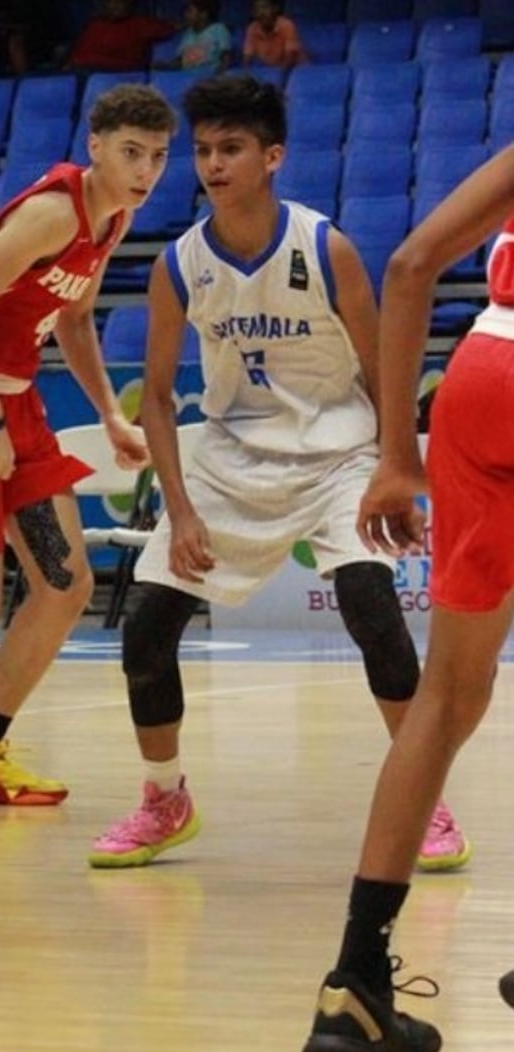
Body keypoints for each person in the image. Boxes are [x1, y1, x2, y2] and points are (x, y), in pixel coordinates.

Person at [89, 75, 468, 871]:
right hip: (231, 457)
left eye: (231, 149)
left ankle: (424, 801)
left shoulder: (325, 248)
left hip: (339, 452)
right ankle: (165, 799)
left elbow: (383, 368)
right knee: (148, 629)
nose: (213, 165)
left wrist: (395, 468)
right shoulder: (179, 264)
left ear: (273, 157)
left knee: (372, 608)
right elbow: (154, 398)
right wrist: (180, 511)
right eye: (203, 150)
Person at [301, 145, 514, 1052]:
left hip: (483, 375)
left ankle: (355, 985)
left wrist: (395, 453)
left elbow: (410, 264)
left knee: (448, 694)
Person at [0, 84, 170, 805]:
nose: (145, 170)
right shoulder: (53, 213)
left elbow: (75, 319)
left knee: (66, 586)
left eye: (157, 156)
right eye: (131, 152)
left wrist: (110, 415)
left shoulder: (114, 217)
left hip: (18, 404)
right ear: (95, 147)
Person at [61, 0, 178, 74]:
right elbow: (77, 51)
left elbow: (173, 29)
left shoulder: (141, 24)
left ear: (130, 5)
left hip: (116, 72)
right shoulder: (94, 24)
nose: (115, 6)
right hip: (78, 70)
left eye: (120, 2)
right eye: (111, 2)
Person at [159, 0, 231, 75]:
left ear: (203, 14)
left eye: (190, 12)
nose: (186, 15)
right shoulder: (188, 33)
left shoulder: (218, 29)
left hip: (208, 74)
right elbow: (180, 60)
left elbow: (226, 56)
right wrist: (163, 65)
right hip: (186, 75)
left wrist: (220, 72)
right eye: (186, 12)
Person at [241, 0, 306, 71]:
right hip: (274, 69)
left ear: (275, 8)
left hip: (299, 70)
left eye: (265, 7)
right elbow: (247, 58)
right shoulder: (252, 29)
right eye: (257, 9)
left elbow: (290, 58)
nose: (261, 13)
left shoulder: (287, 25)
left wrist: (278, 77)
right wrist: (245, 73)